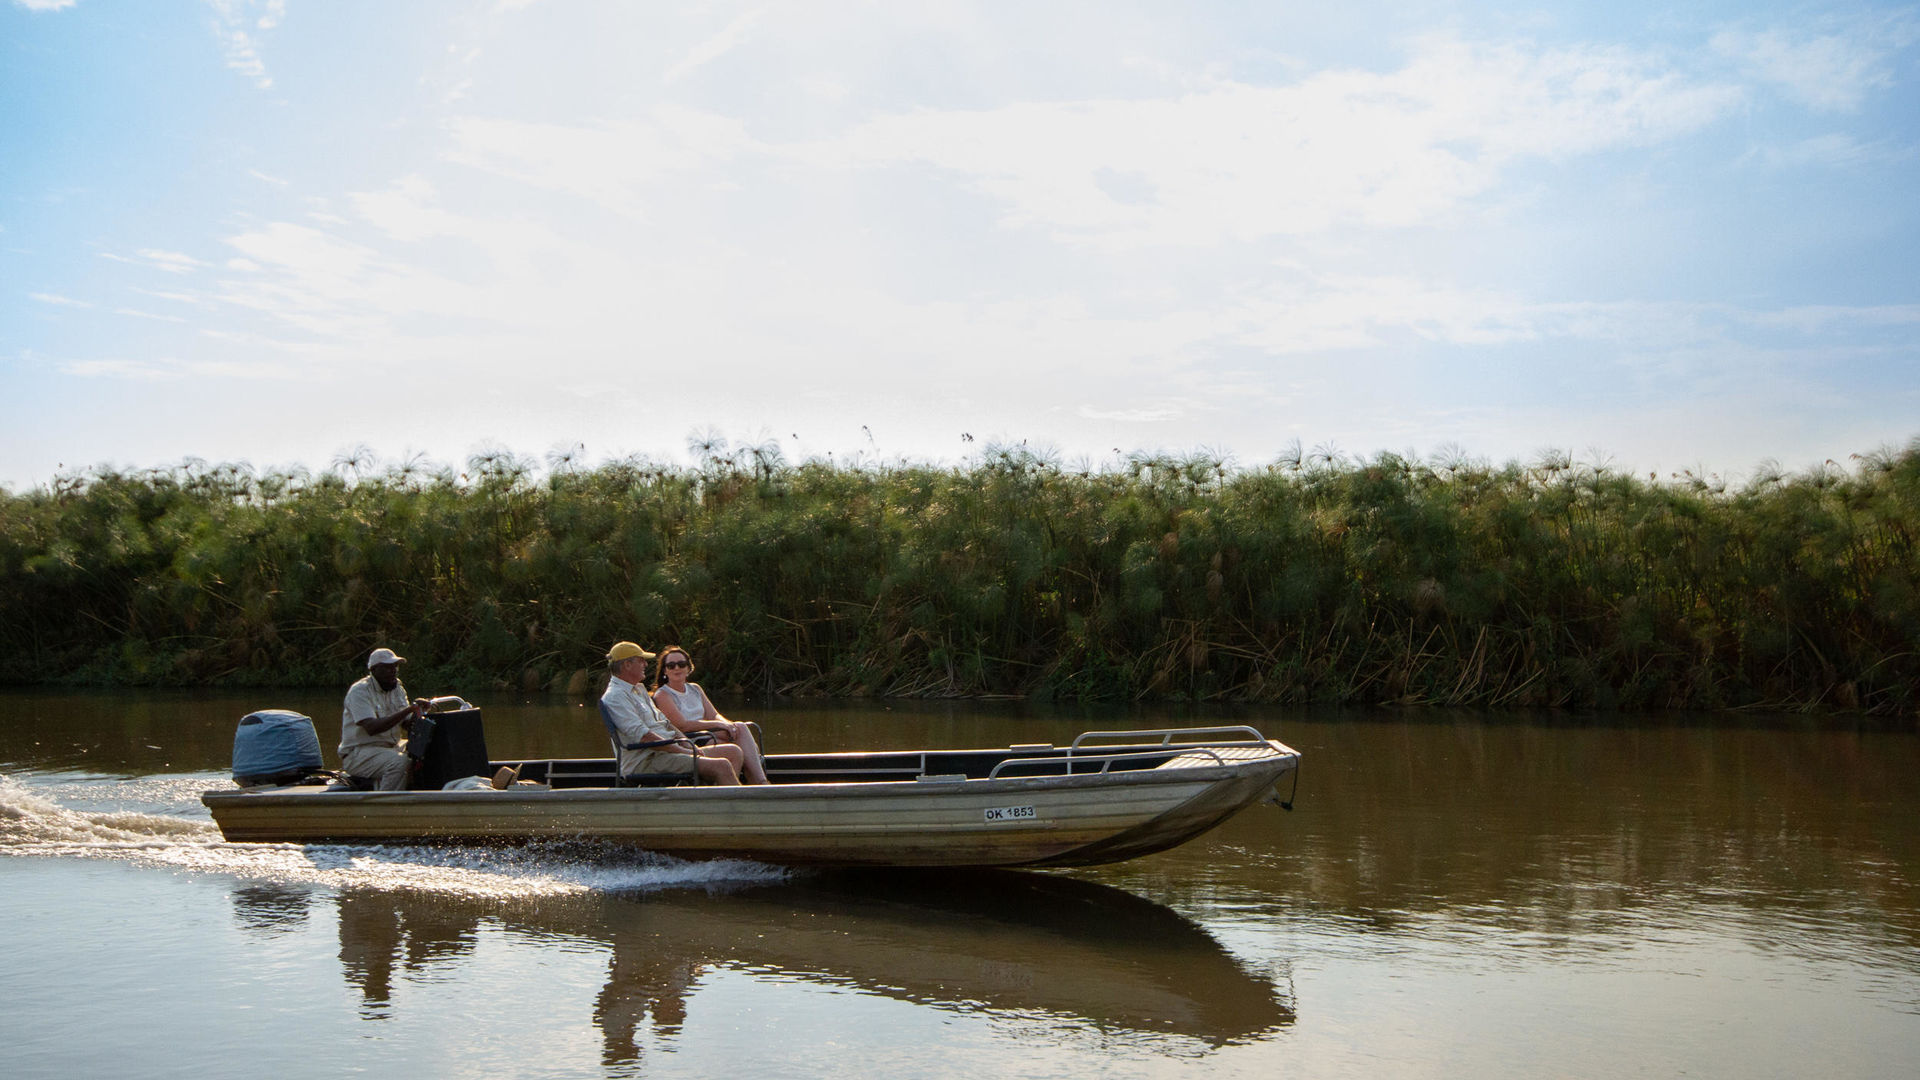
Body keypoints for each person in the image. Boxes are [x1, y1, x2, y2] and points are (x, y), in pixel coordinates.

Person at [599, 641, 741, 786]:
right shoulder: (615, 697)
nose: (646, 665)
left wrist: (690, 746)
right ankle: (735, 805)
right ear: (627, 665)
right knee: (721, 765)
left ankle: (715, 800)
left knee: (733, 752)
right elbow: (645, 737)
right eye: (641, 661)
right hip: (646, 760)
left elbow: (666, 724)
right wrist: (684, 751)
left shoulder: (638, 689)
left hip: (667, 752)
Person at [651, 645, 768, 784]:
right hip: (688, 739)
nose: (677, 668)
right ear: (665, 671)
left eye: (681, 664)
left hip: (706, 733)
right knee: (737, 749)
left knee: (740, 728)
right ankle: (732, 788)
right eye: (671, 665)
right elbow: (682, 726)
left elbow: (713, 715)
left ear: (689, 668)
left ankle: (759, 782)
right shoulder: (663, 695)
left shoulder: (695, 688)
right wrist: (718, 725)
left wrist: (728, 725)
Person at [340, 646, 429, 790]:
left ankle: (421, 796)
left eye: (395, 666)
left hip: (390, 747)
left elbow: (406, 725)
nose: (393, 670)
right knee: (399, 762)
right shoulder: (360, 691)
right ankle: (385, 806)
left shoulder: (397, 687)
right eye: (387, 667)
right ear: (373, 670)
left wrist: (419, 712)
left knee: (425, 749)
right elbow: (372, 728)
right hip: (359, 754)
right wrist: (409, 709)